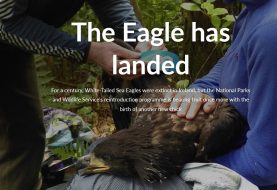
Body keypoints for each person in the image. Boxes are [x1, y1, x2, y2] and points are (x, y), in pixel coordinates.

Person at [0, 0, 163, 189]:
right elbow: (5, 23)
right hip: (8, 29)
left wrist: (138, 38)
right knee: (18, 135)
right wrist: (87, 50)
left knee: (24, 134)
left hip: (12, 45)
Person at [166, 0, 277, 189]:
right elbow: (235, 56)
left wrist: (180, 172)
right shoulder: (258, 8)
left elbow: (264, 166)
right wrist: (204, 87)